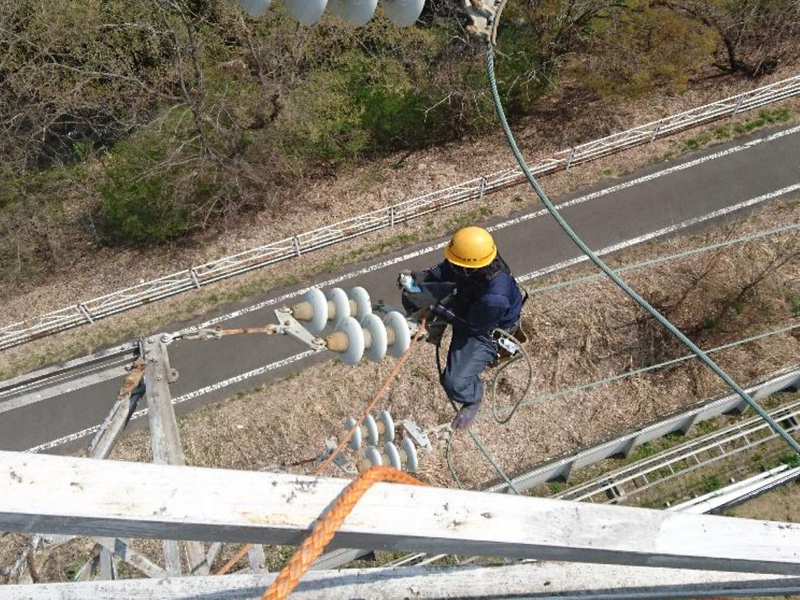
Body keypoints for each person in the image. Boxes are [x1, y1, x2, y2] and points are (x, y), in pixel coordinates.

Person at [400, 226, 523, 429]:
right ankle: (427, 323)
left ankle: (473, 397)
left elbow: (472, 326)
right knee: (412, 294)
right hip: (471, 299)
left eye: (457, 264)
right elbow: (446, 270)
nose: (452, 265)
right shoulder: (477, 257)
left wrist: (436, 307)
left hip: (484, 329)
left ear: (469, 267)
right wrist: (421, 279)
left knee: (454, 382)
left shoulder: (494, 297)